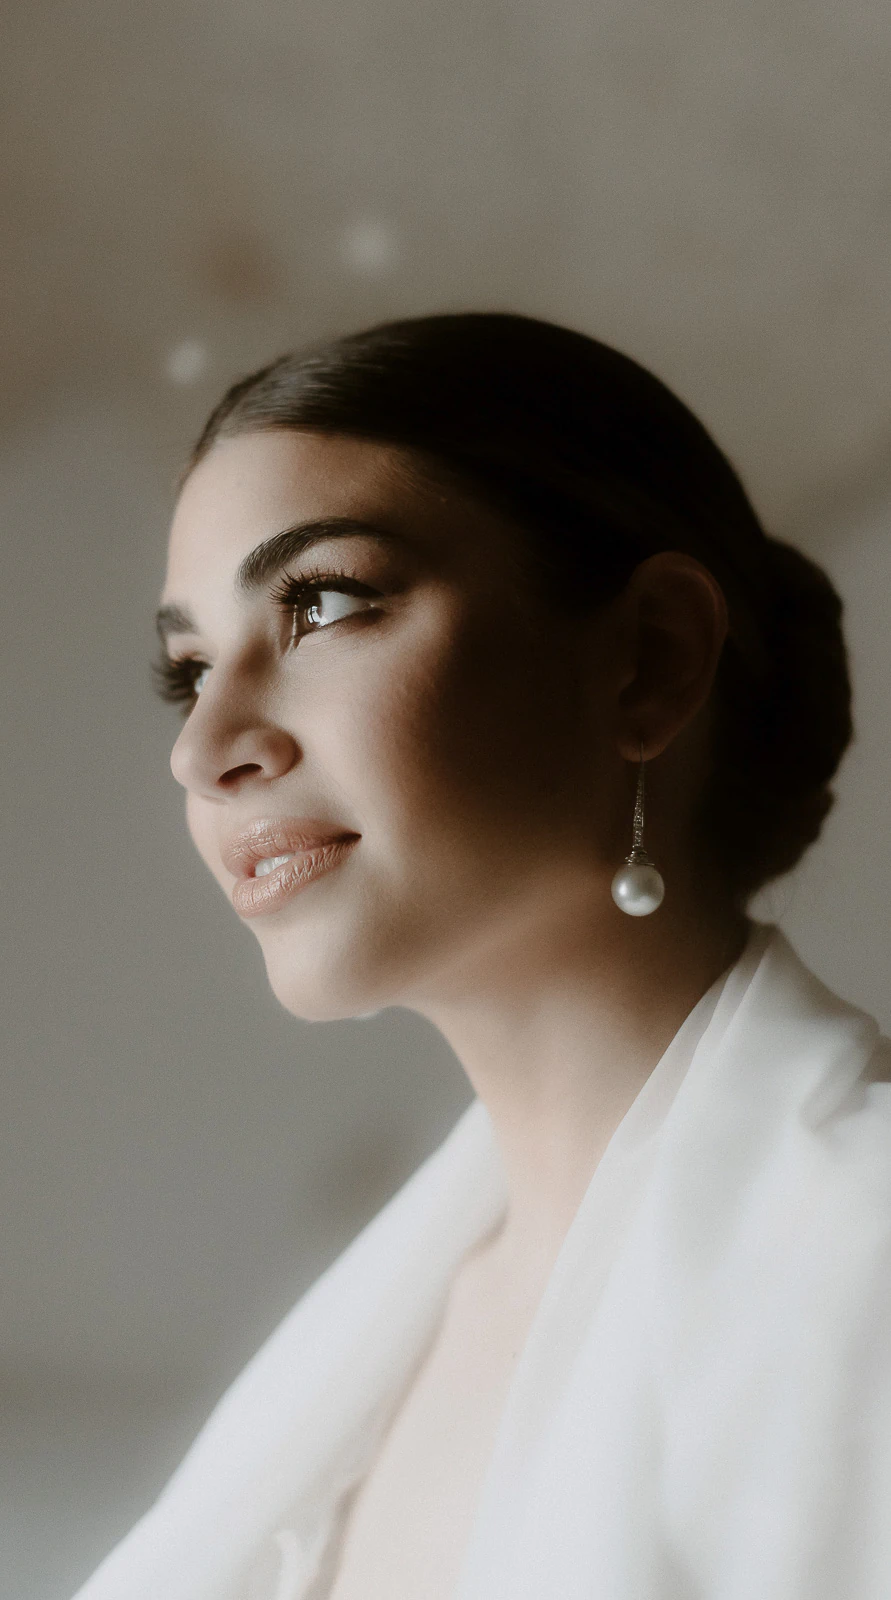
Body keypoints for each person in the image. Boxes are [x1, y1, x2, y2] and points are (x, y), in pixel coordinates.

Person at [75, 314, 891, 1600]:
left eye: (323, 604)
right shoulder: (382, 1337)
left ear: (649, 659)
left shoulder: (860, 1262)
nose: (204, 745)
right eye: (186, 671)